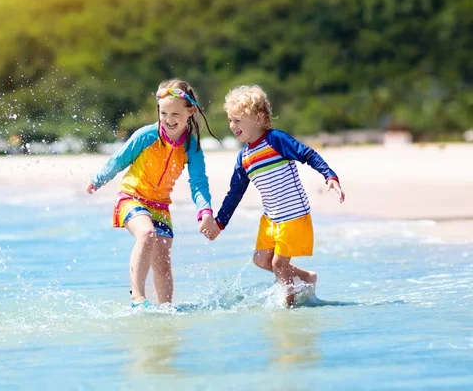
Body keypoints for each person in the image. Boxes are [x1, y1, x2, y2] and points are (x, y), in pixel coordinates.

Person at [87, 79, 220, 308]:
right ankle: (137, 298)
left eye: (175, 114)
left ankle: (165, 309)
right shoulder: (147, 135)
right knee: (147, 233)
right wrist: (98, 179)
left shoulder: (191, 145)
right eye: (164, 113)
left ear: (190, 112)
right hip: (131, 197)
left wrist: (205, 211)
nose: (168, 120)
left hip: (160, 205)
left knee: (163, 260)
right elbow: (120, 159)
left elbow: (198, 182)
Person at [209, 85, 345, 308]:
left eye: (238, 120)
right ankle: (307, 278)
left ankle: (288, 310)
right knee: (261, 260)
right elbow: (235, 193)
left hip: (294, 215)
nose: (232, 126)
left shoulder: (275, 140)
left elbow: (307, 154)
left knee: (279, 264)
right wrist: (220, 222)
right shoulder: (244, 157)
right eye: (230, 120)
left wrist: (329, 176)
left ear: (259, 118)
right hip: (271, 219)